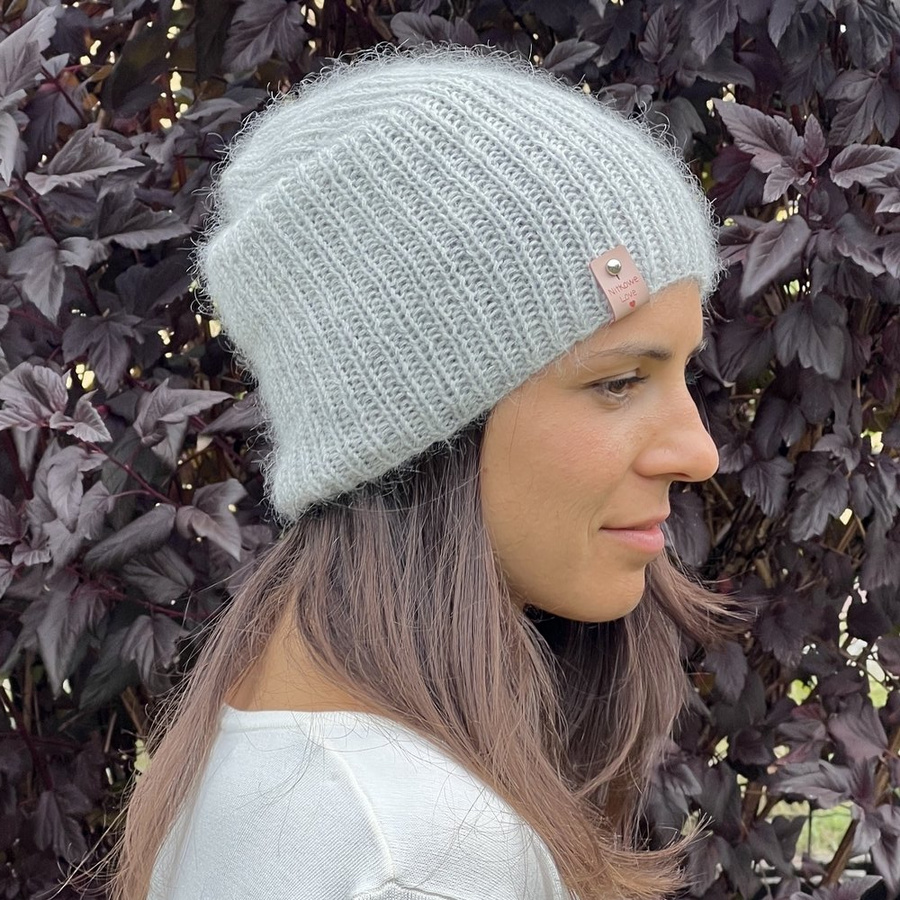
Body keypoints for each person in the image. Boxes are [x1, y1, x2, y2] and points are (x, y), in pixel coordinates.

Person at [101, 40, 737, 900]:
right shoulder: (424, 854)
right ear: (411, 426)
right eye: (619, 381)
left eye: (681, 372)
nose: (697, 452)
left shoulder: (279, 758)